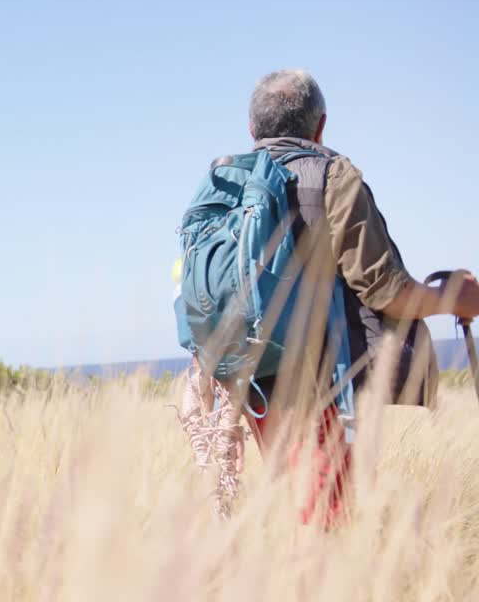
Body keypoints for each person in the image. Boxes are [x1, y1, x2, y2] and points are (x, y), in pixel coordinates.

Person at [179, 69, 479, 526]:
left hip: (247, 380)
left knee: (307, 513)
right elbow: (386, 290)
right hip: (318, 382)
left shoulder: (227, 183)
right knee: (330, 528)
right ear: (320, 126)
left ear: (251, 128)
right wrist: (452, 298)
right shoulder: (332, 176)